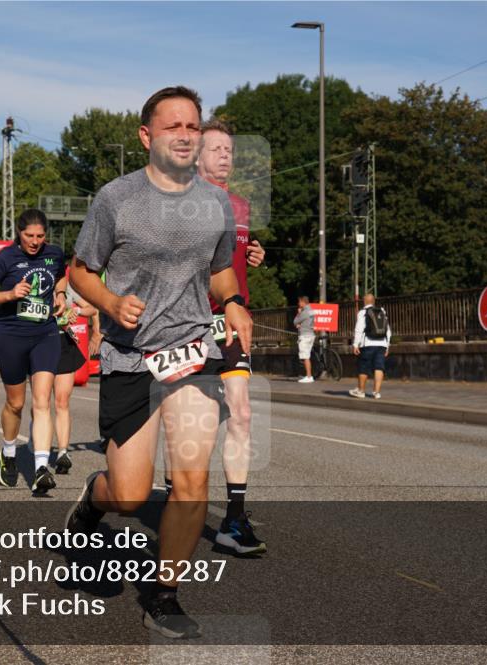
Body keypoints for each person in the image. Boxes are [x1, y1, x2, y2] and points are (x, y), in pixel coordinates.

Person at [67, 86, 249, 639]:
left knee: (192, 482)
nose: (185, 134)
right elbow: (80, 271)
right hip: (131, 354)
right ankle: (91, 506)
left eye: (193, 126)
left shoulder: (215, 202)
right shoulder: (115, 199)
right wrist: (110, 303)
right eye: (173, 126)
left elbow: (219, 270)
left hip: (193, 350)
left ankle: (165, 594)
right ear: (147, 136)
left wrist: (235, 300)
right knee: (129, 494)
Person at [180, 118, 268, 555]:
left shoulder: (240, 205)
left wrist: (251, 254)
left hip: (230, 323)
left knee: (242, 413)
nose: (226, 156)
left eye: (230, 150)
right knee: (190, 422)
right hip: (187, 323)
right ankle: (177, 487)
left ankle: (234, 519)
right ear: (196, 156)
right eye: (216, 149)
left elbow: (228, 260)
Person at [0, 209, 67, 494]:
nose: (35, 241)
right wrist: (9, 294)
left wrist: (61, 294)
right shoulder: (4, 259)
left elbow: (61, 276)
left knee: (42, 401)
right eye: (29, 236)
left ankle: (41, 467)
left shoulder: (54, 254)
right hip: (11, 335)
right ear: (19, 232)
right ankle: (9, 452)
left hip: (45, 334)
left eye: (40, 236)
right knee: (15, 404)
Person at [50, 289, 97, 475]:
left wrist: (74, 311)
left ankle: (62, 452)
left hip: (63, 344)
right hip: (38, 344)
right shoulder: (30, 276)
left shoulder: (68, 288)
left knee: (61, 401)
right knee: (41, 402)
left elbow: (91, 309)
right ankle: (39, 445)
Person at [349, 293, 392, 399]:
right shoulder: (382, 311)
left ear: (364, 301)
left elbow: (359, 329)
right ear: (373, 301)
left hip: (367, 343)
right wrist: (387, 346)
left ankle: (361, 391)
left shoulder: (363, 312)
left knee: (363, 367)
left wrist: (355, 345)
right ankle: (376, 392)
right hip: (381, 344)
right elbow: (388, 331)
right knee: (379, 367)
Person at [294, 295, 316, 383]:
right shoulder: (311, 310)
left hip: (304, 336)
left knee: (305, 356)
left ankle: (309, 376)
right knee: (307, 355)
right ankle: (308, 375)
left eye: (299, 302)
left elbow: (295, 321)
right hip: (311, 334)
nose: (298, 304)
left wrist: (298, 313)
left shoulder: (304, 312)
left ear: (303, 302)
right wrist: (301, 324)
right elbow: (306, 321)